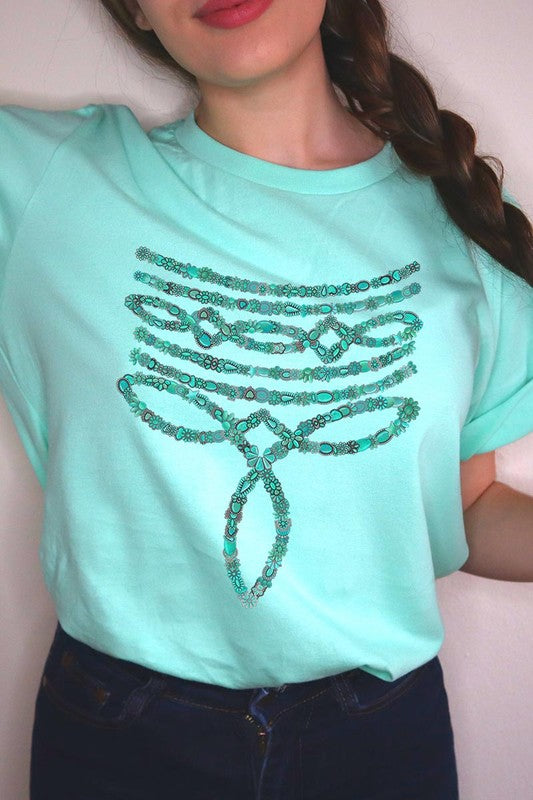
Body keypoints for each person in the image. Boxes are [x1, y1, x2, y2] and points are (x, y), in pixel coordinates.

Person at [1, 0, 532, 797]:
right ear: (136, 9)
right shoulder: (44, 181)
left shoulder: (464, 230)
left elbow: (463, 507)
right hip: (120, 735)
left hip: (376, 739)